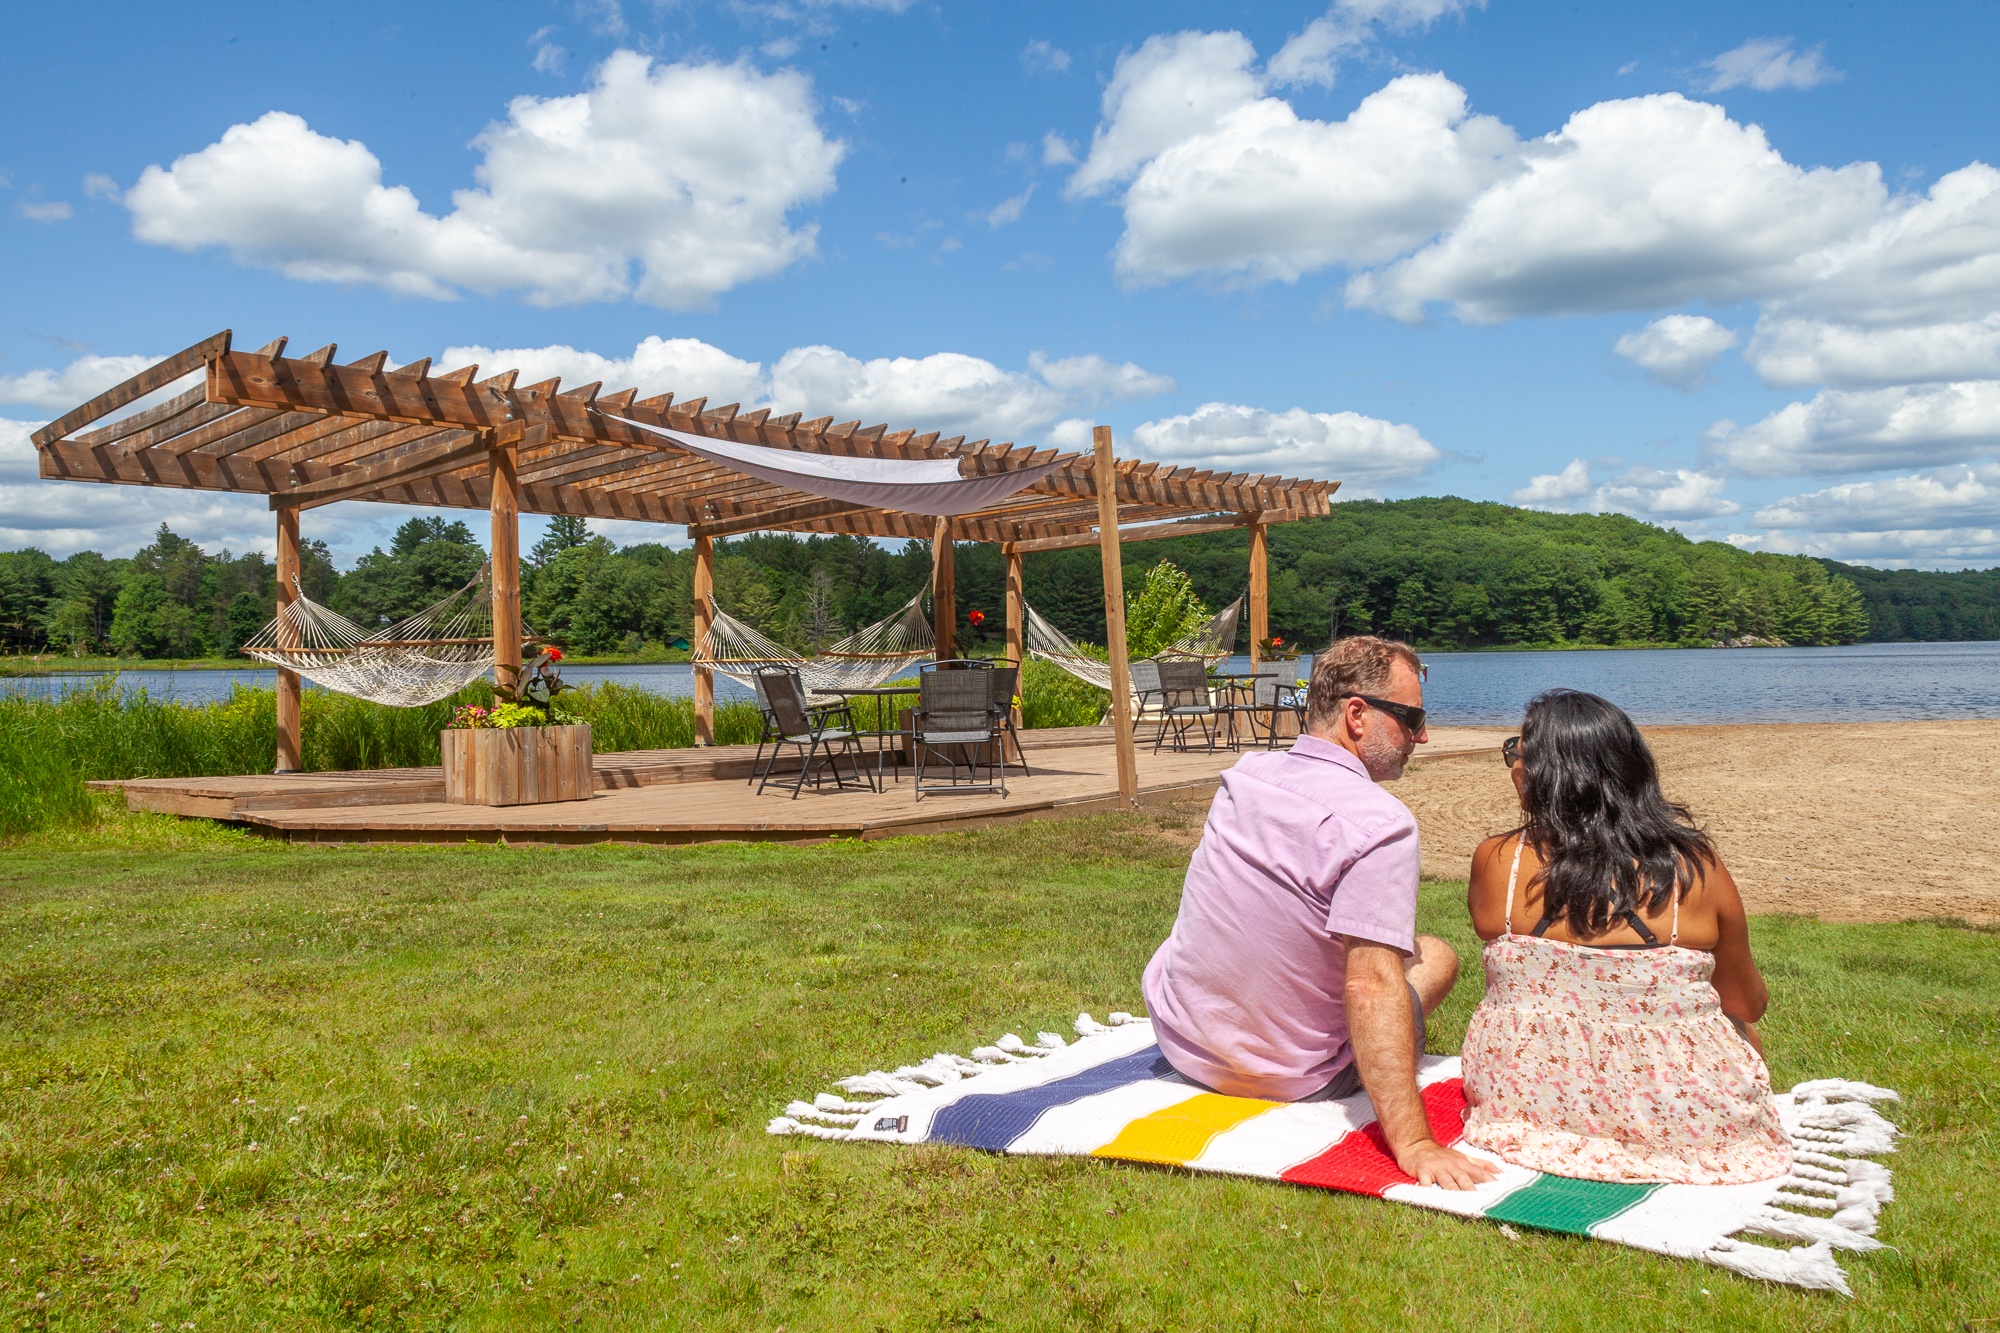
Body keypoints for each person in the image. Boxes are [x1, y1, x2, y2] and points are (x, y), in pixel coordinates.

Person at [1142, 635, 1499, 1191]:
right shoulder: (1381, 824)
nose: (1422, 736)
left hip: (1186, 1045)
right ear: (1356, 714)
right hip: (1292, 1076)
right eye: (1411, 718)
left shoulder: (1246, 776)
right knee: (1436, 956)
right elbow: (1370, 986)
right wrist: (1414, 1143)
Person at [1459, 689, 1792, 1185]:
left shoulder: (1497, 863)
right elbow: (1746, 1002)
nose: (1513, 766)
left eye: (1519, 753)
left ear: (1548, 775)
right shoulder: (1693, 869)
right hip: (1678, 1115)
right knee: (1740, 1029)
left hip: (1523, 1098)